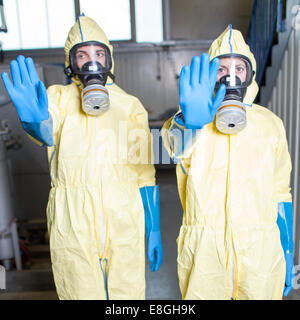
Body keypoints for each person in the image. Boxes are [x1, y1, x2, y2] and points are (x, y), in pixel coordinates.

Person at [1, 15, 163, 300]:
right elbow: (46, 135)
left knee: (127, 297)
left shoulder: (130, 106)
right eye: (82, 54)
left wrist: (154, 226)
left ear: (109, 58)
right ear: (71, 62)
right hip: (73, 218)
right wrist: (33, 119)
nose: (92, 62)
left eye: (99, 53)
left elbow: (144, 170)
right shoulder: (57, 98)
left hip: (124, 214)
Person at [162, 25, 294, 300]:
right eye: (221, 70)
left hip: (260, 252)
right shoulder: (189, 120)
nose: (231, 77)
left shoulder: (270, 124)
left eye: (239, 69)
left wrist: (287, 250)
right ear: (210, 76)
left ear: (249, 75)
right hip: (205, 252)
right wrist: (189, 123)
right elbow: (166, 149)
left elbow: (282, 192)